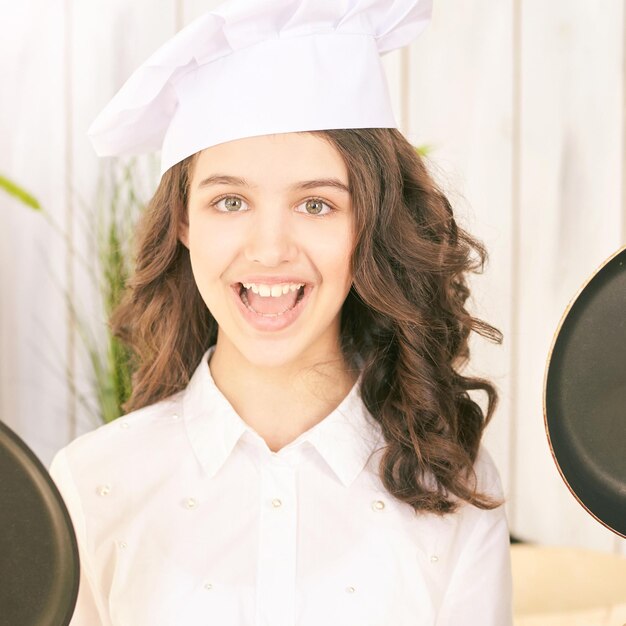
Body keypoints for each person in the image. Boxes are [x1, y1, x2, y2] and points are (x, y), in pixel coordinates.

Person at [49, 1, 513, 624]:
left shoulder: (453, 484)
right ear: (184, 221)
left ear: (369, 226)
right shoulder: (92, 481)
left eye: (316, 205)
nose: (269, 249)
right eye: (231, 201)